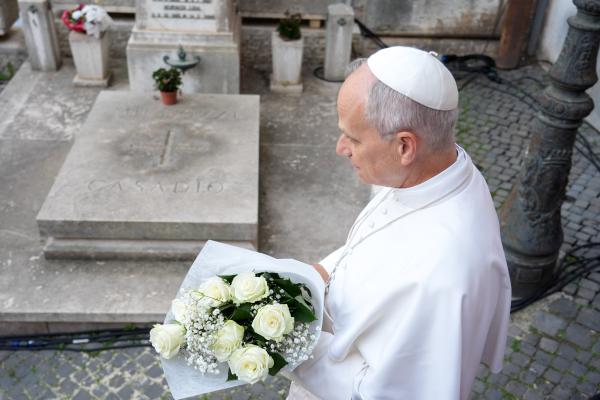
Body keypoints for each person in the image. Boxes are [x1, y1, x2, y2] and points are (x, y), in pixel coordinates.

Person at [286, 46, 512, 399]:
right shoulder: (440, 171)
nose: (340, 148)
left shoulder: (443, 273)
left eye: (353, 138)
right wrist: (320, 273)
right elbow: (377, 236)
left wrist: (285, 338)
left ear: (405, 146)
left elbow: (384, 392)